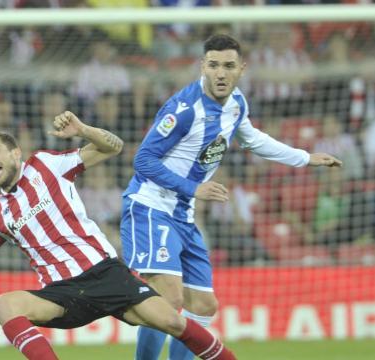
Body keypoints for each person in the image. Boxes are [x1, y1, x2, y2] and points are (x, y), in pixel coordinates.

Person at [0, 111, 237, 360]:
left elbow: (113, 147)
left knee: (174, 321)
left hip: (106, 274)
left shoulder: (47, 164)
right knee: (5, 304)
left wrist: (83, 129)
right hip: (63, 294)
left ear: (16, 153)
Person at [121, 34, 342, 360]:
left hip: (183, 214)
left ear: (241, 69)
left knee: (203, 305)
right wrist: (192, 188)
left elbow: (253, 139)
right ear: (202, 67)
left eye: (228, 66)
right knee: (168, 298)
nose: (220, 73)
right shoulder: (184, 109)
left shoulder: (237, 103)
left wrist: (305, 157)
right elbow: (143, 160)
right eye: (213, 65)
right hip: (151, 206)